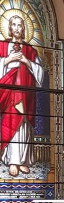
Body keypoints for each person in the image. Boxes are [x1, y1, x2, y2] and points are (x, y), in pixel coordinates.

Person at [0, 15, 44, 177]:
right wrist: (7, 60)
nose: (17, 28)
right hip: (10, 92)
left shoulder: (30, 50)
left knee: (24, 124)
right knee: (12, 121)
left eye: (20, 25)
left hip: (27, 92)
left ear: (24, 29)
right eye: (14, 25)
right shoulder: (2, 46)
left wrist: (26, 61)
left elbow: (40, 74)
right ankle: (13, 160)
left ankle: (24, 160)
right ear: (10, 28)